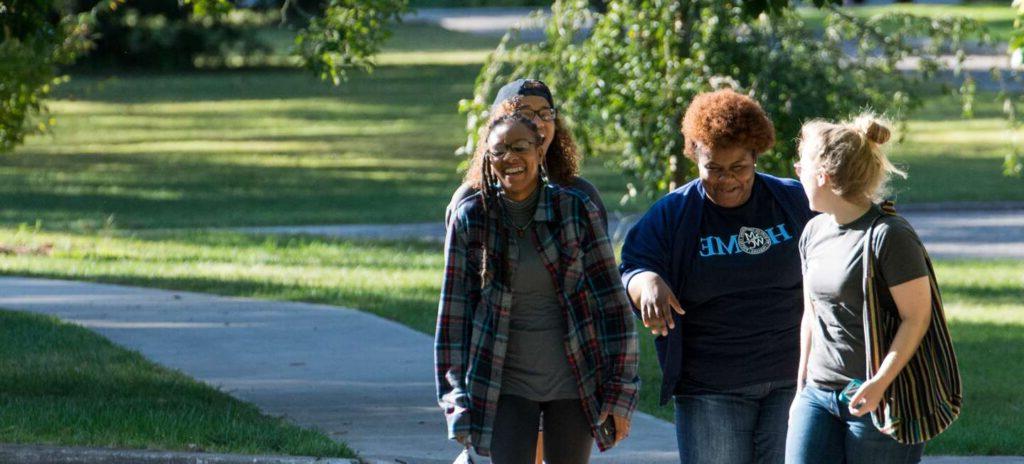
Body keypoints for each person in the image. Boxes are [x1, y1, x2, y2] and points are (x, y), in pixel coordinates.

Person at [619, 89, 816, 463]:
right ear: (694, 155)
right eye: (713, 168)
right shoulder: (674, 214)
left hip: (795, 380)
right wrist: (646, 283)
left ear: (756, 157)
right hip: (711, 389)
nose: (725, 180)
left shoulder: (793, 202)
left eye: (738, 168)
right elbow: (631, 266)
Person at [435, 112, 639, 462]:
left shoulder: (575, 210)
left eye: (520, 147)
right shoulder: (472, 217)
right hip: (504, 384)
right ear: (488, 158)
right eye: (499, 150)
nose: (510, 158)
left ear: (540, 151)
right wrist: (456, 401)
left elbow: (613, 307)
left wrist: (621, 393)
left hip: (575, 381)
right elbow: (453, 321)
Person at [786, 115, 942, 463]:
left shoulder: (889, 235)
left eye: (802, 166)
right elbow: (811, 315)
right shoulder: (813, 232)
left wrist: (879, 383)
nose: (797, 171)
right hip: (819, 394)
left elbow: (916, 317)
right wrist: (801, 390)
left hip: (878, 395)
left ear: (822, 176)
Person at [446, 78, 607, 229]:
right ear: (500, 129)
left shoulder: (582, 195)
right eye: (525, 114)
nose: (538, 123)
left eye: (545, 114)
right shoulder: (470, 200)